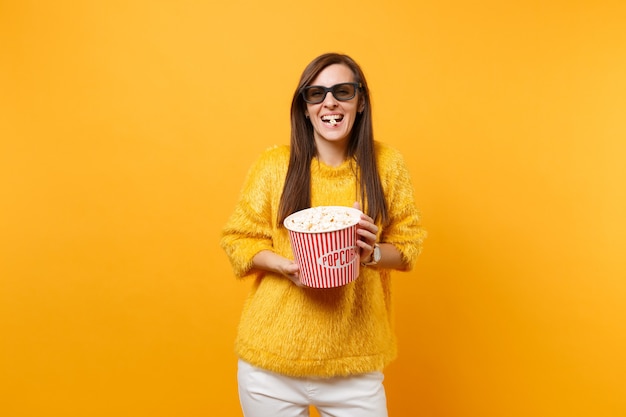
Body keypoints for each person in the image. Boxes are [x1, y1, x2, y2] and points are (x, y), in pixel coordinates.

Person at [220, 52, 426, 417]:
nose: (329, 102)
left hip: (354, 365)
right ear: (304, 107)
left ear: (360, 102)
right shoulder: (274, 166)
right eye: (316, 94)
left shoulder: (386, 165)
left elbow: (409, 244)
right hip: (271, 365)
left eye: (342, 91)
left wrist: (372, 253)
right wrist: (284, 266)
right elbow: (239, 240)